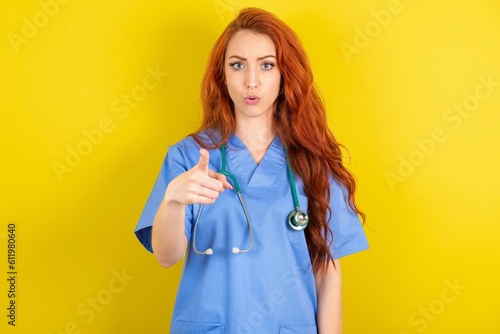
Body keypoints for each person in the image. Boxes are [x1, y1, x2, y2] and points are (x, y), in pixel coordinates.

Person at [134, 7, 368, 334]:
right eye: (238, 65)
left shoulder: (314, 161)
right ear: (222, 74)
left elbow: (327, 271)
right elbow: (166, 256)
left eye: (267, 65)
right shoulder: (188, 157)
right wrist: (172, 200)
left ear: (285, 74)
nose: (251, 81)